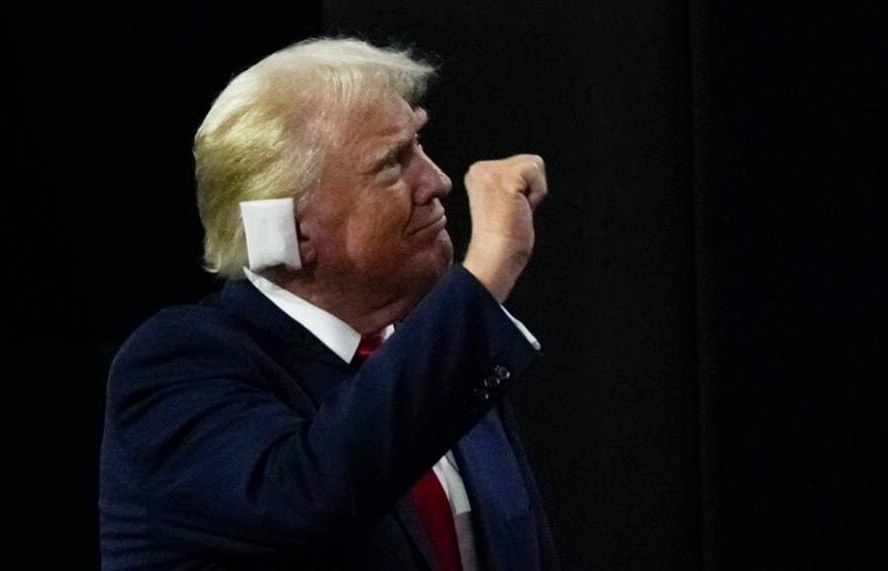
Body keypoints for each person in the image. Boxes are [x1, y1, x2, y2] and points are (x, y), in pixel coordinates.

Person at [99, 37, 556, 570]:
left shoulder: (442, 361)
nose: (438, 181)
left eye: (419, 144)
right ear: (290, 230)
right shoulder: (178, 363)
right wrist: (488, 270)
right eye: (392, 162)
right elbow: (305, 495)